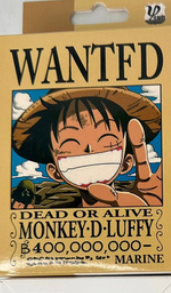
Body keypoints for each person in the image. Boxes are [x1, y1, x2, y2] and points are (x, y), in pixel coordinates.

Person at [12, 87, 162, 207]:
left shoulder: (138, 204)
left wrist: (150, 214)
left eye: (105, 139)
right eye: (71, 143)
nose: (89, 148)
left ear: (126, 163)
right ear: (55, 172)